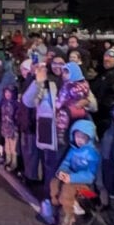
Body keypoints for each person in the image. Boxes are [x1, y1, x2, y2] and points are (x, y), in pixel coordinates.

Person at [43, 118, 100, 225]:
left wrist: (72, 178)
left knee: (67, 190)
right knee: (54, 183)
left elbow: (90, 175)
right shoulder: (73, 150)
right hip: (71, 180)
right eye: (77, 136)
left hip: (87, 189)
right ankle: (57, 212)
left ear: (89, 138)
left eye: (83, 137)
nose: (79, 140)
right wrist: (62, 172)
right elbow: (66, 164)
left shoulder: (92, 154)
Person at [22, 55, 66, 190]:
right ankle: (50, 196)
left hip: (68, 131)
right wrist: (38, 82)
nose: (57, 66)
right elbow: (28, 101)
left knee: (65, 165)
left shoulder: (72, 81)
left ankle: (64, 198)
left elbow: (91, 104)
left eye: (61, 63)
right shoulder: (46, 82)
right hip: (48, 130)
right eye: (54, 63)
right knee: (50, 165)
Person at [0, 84, 21, 172]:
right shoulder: (3, 102)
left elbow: (18, 117)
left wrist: (15, 127)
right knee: (7, 145)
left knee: (13, 146)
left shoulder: (16, 104)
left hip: (13, 128)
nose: (7, 94)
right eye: (6, 92)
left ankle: (14, 163)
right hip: (5, 127)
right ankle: (8, 160)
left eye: (9, 92)